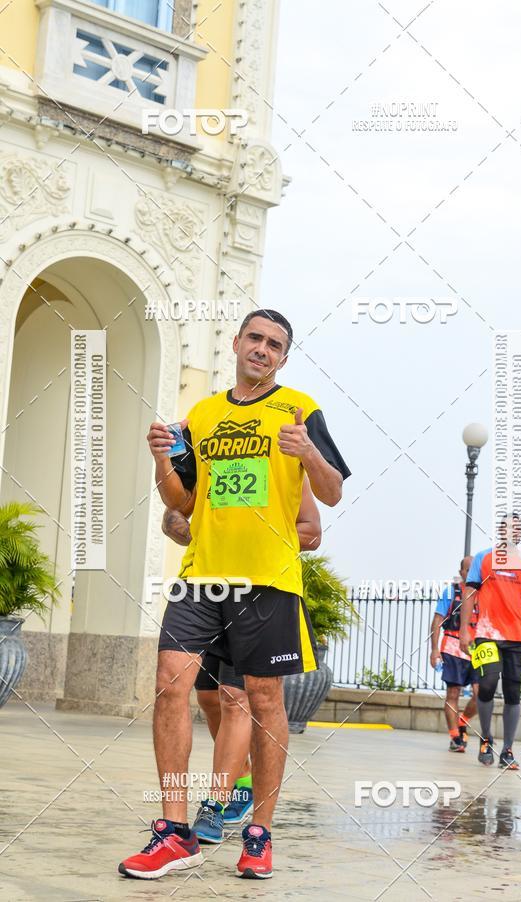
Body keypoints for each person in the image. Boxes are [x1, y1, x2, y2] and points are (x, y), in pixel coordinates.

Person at [119, 309, 350, 881]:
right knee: (171, 685)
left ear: (284, 357)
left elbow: (333, 490)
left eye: (275, 344)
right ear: (237, 343)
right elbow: (185, 501)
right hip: (202, 577)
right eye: (256, 338)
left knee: (265, 704)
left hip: (267, 580)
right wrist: (160, 460)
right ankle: (174, 831)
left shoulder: (299, 408)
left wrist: (309, 454)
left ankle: (258, 833)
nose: (263, 349)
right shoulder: (204, 413)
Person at [160, 479, 322, 841]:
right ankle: (242, 779)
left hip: (258, 592)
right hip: (205, 586)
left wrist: (252, 546)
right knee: (207, 698)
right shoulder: (212, 458)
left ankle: (215, 806)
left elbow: (311, 532)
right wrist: (192, 528)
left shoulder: (283, 469)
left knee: (237, 699)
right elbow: (172, 519)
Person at [459, 513, 521, 770]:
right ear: (500, 530)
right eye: (508, 527)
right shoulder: (483, 559)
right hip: (486, 634)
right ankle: (486, 739)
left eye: (518, 528)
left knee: (512, 693)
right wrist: (465, 629)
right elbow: (470, 593)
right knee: (485, 685)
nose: (513, 532)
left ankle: (507, 750)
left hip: (519, 637)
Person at [430, 556, 479, 752]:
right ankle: (454, 737)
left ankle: (462, 721)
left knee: (481, 694)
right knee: (453, 693)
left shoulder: (484, 594)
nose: (471, 573)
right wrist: (434, 650)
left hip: (476, 650)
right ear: (461, 573)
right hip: (452, 647)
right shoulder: (450, 592)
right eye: (468, 570)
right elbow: (437, 621)